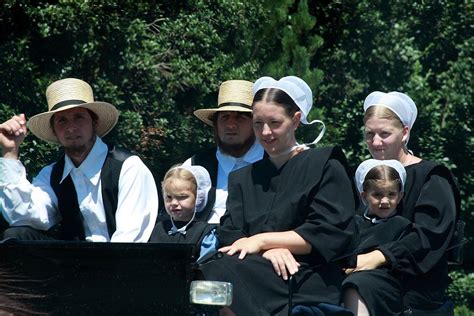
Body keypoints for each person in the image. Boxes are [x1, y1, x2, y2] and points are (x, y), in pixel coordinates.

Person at [199, 76, 356, 315]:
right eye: (258, 123)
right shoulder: (243, 178)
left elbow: (328, 231)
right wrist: (268, 251)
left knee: (220, 275)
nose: (265, 132)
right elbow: (231, 232)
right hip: (251, 266)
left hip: (302, 272)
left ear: (295, 120)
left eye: (274, 122)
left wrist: (263, 241)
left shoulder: (324, 164)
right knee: (202, 271)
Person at [343, 91, 460, 315]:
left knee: (358, 285)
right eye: (370, 134)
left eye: (384, 134)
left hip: (412, 284)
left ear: (404, 132)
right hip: (363, 269)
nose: (376, 142)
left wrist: (379, 257)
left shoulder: (432, 177)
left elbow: (429, 236)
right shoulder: (363, 177)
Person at [0, 78, 158, 242]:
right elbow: (21, 217)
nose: (71, 128)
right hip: (71, 263)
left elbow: (130, 239)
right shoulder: (53, 174)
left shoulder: (128, 167)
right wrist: (10, 152)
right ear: (54, 130)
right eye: (62, 120)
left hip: (121, 263)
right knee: (16, 238)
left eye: (79, 117)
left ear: (94, 123)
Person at [182, 80, 264, 224]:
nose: (231, 124)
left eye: (240, 117)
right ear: (215, 124)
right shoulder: (195, 167)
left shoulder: (275, 163)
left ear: (256, 124)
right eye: (225, 117)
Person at [343, 159, 413, 315]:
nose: (385, 201)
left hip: (384, 284)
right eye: (377, 195)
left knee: (356, 284)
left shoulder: (402, 226)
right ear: (364, 196)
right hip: (350, 275)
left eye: (391, 194)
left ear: (400, 196)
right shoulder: (354, 223)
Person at [148, 165, 217, 260]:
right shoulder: (158, 228)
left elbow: (206, 265)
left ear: (199, 197)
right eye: (169, 197)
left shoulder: (205, 232)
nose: (174, 203)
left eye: (182, 197)